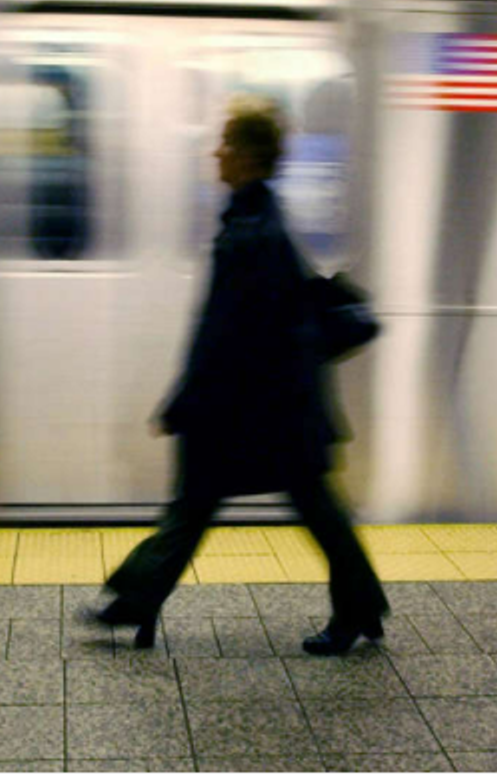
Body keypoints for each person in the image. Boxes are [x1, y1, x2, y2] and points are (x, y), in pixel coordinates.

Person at [83, 94, 389, 656]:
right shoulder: (256, 220)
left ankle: (136, 602)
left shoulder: (250, 233)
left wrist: (183, 401)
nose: (215, 153)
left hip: (264, 409)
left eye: (225, 143)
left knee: (214, 503)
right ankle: (137, 602)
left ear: (247, 156)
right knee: (285, 508)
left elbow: (223, 334)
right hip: (276, 405)